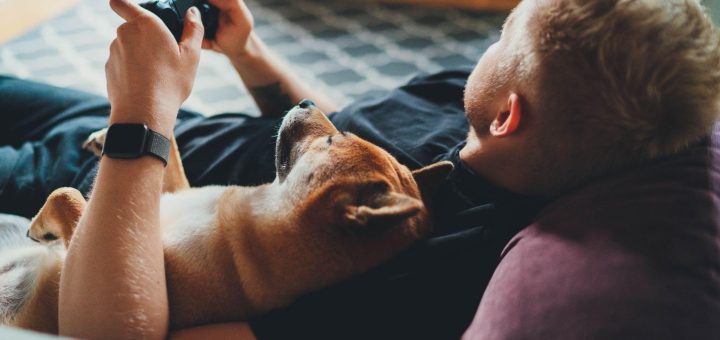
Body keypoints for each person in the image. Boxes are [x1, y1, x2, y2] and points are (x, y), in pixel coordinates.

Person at [0, 0, 718, 338]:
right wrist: (247, 54)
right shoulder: (461, 102)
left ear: (509, 114)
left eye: (502, 36)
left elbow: (122, 331)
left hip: (117, 186)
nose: (482, 47)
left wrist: (142, 120)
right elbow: (345, 132)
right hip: (165, 131)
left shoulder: (418, 262)